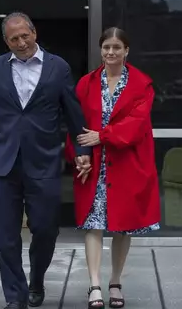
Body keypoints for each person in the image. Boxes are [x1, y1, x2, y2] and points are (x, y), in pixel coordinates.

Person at [0, 12, 92, 309]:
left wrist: (83, 151)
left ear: (34, 32)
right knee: (6, 236)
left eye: (25, 35)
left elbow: (73, 113)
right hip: (4, 161)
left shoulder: (58, 67)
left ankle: (37, 278)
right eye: (14, 39)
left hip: (43, 160)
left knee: (45, 230)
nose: (21, 42)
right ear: (6, 42)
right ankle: (15, 297)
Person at [65, 27, 161, 309]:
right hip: (94, 166)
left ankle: (115, 281)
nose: (110, 52)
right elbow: (75, 122)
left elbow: (136, 124)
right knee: (92, 225)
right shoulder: (85, 83)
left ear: (126, 51)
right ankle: (94, 285)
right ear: (101, 49)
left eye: (116, 47)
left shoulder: (142, 84)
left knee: (122, 226)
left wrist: (102, 136)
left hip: (127, 163)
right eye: (106, 47)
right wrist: (79, 155)